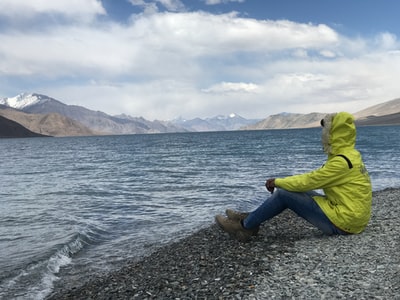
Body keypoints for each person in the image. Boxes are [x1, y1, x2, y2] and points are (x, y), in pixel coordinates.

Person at [215, 112, 372, 242]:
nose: (324, 134)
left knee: (284, 194)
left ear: (334, 133)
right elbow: (312, 179)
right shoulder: (351, 156)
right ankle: (250, 218)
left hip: (343, 223)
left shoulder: (341, 162)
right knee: (292, 190)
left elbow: (308, 181)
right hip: (352, 218)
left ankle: (244, 227)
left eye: (327, 130)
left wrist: (277, 182)